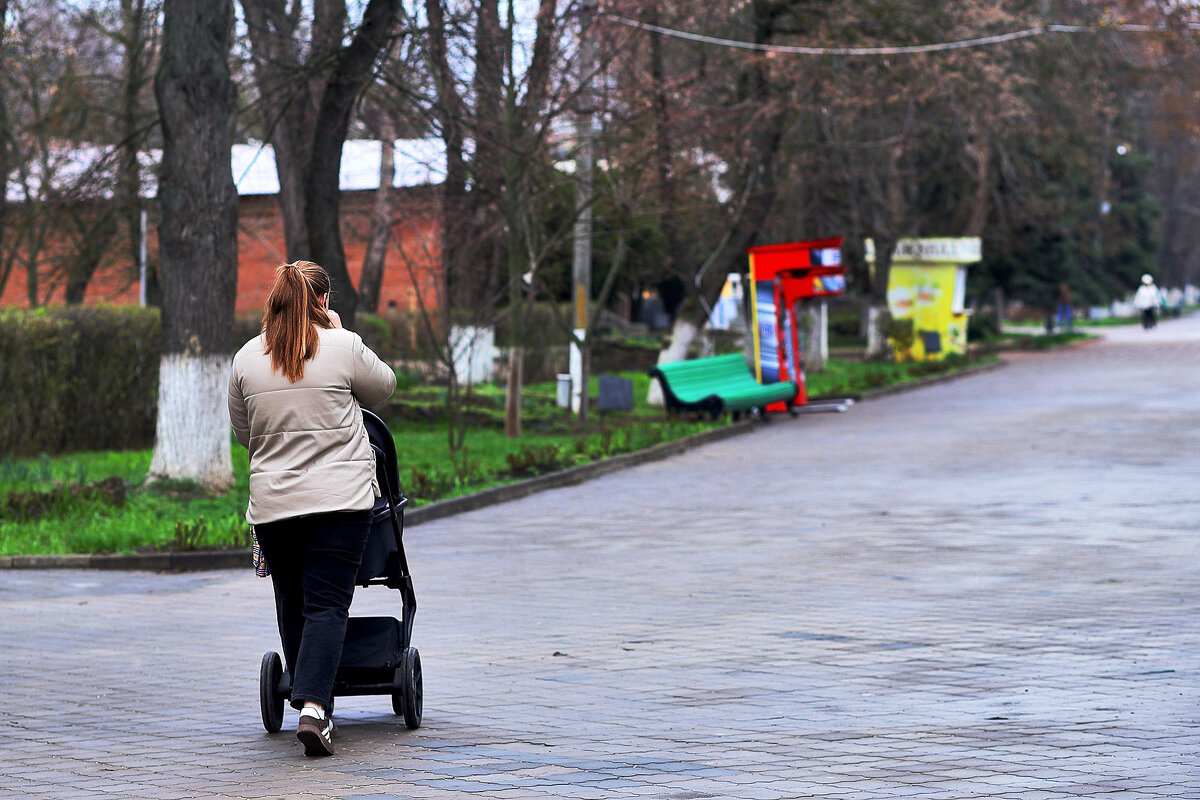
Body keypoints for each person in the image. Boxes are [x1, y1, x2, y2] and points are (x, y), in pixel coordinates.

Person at [228, 261, 396, 757]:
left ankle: (307, 697)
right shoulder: (342, 347)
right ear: (322, 302)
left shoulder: (245, 359)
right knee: (327, 605)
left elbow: (245, 436)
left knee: (292, 600)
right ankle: (315, 711)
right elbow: (383, 388)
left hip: (275, 505)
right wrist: (343, 333)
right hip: (341, 501)